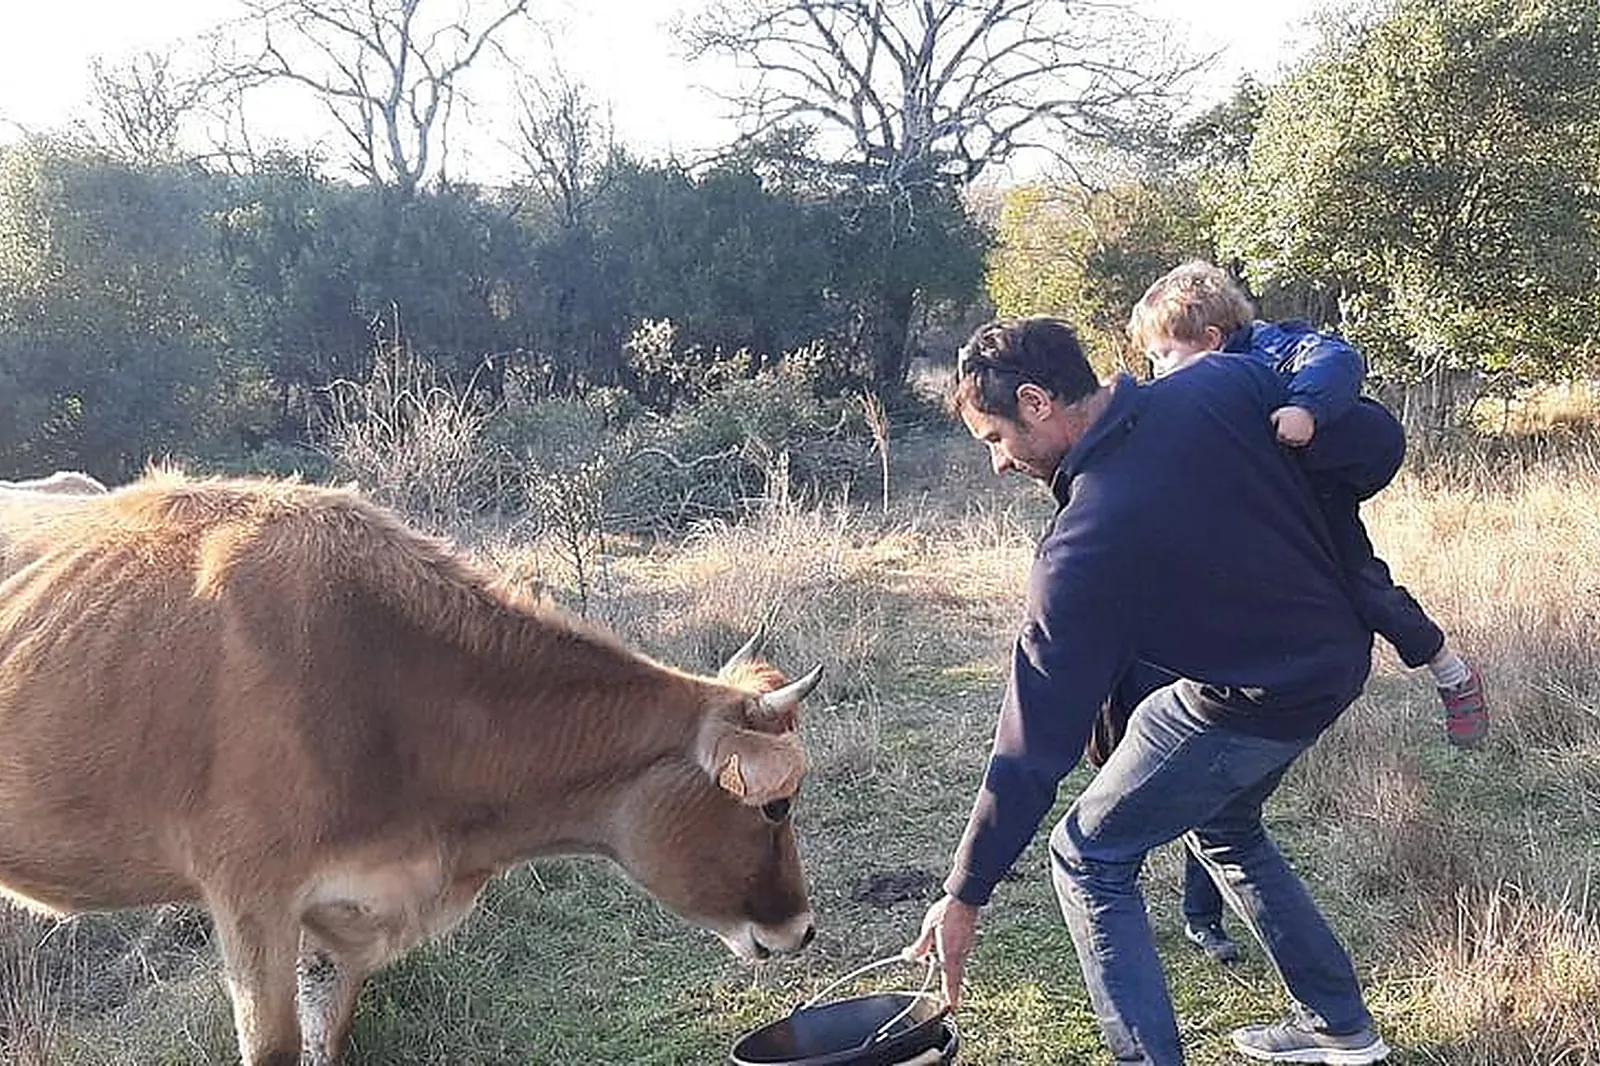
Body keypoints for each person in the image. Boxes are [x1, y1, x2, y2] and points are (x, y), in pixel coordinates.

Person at [908, 316, 1390, 1064]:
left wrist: (966, 892)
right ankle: (1339, 1024)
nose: (999, 465)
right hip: (1335, 661)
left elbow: (1033, 746)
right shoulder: (1217, 382)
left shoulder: (1085, 545)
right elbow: (1369, 439)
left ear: (1035, 401)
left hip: (1252, 698)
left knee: (1087, 855)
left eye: (995, 440)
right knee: (1225, 824)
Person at [1127, 261, 1488, 749]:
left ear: (1211, 341)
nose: (1157, 371)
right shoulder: (1190, 400)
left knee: (1365, 588)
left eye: (1164, 356)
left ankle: (1452, 673)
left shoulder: (1270, 348)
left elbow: (1337, 358)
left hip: (1320, 490)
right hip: (1273, 505)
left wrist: (1306, 408)